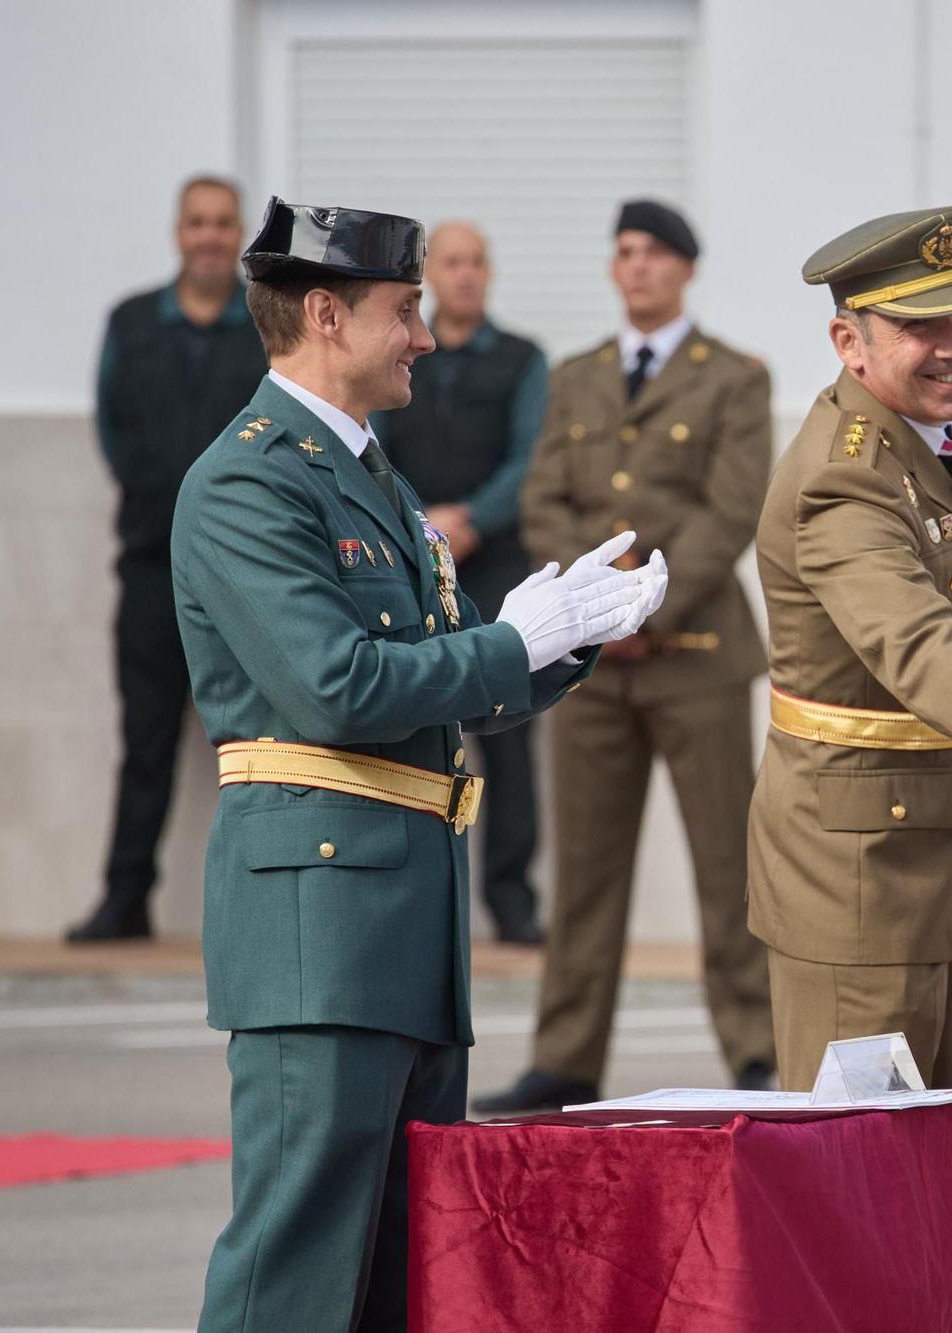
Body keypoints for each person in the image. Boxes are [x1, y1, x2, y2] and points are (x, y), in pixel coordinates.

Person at [175, 197, 664, 1331]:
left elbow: (438, 678)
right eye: (405, 311)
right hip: (321, 928)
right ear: (326, 314)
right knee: (296, 1268)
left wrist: (562, 637)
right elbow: (337, 686)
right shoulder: (250, 480)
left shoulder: (367, 472)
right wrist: (510, 644)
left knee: (398, 1274)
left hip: (398, 921)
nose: (426, 338)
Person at [748, 206, 952, 1091]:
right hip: (857, 882)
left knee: (926, 1152)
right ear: (848, 343)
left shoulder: (937, 442)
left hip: (927, 859)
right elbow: (915, 640)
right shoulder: (844, 476)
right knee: (856, 1159)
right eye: (920, 325)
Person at [476, 200, 776, 1113]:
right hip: (593, 665)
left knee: (728, 865)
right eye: (624, 253)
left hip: (696, 655)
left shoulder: (733, 377)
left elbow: (731, 510)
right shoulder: (576, 377)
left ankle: (758, 1049)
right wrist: (597, 611)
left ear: (686, 268)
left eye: (653, 253)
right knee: (586, 870)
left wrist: (645, 602)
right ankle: (565, 1057)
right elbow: (544, 501)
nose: (637, 267)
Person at [68, 176, 266, 942]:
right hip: (152, 567)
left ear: (239, 234)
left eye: (223, 222)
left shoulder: (263, 324)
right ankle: (125, 899)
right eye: (197, 222)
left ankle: (259, 907)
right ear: (178, 232)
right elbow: (112, 428)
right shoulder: (132, 322)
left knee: (257, 749)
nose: (209, 235)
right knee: (145, 741)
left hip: (244, 577)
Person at [373, 221, 550, 945]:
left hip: (496, 561)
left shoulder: (521, 360)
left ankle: (512, 900)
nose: (466, 274)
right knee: (416, 719)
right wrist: (423, 526)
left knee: (508, 733)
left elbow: (530, 458)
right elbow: (374, 447)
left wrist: (470, 518)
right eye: (452, 262)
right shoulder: (397, 351)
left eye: (477, 261)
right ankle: (416, 893)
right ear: (430, 277)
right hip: (411, 560)